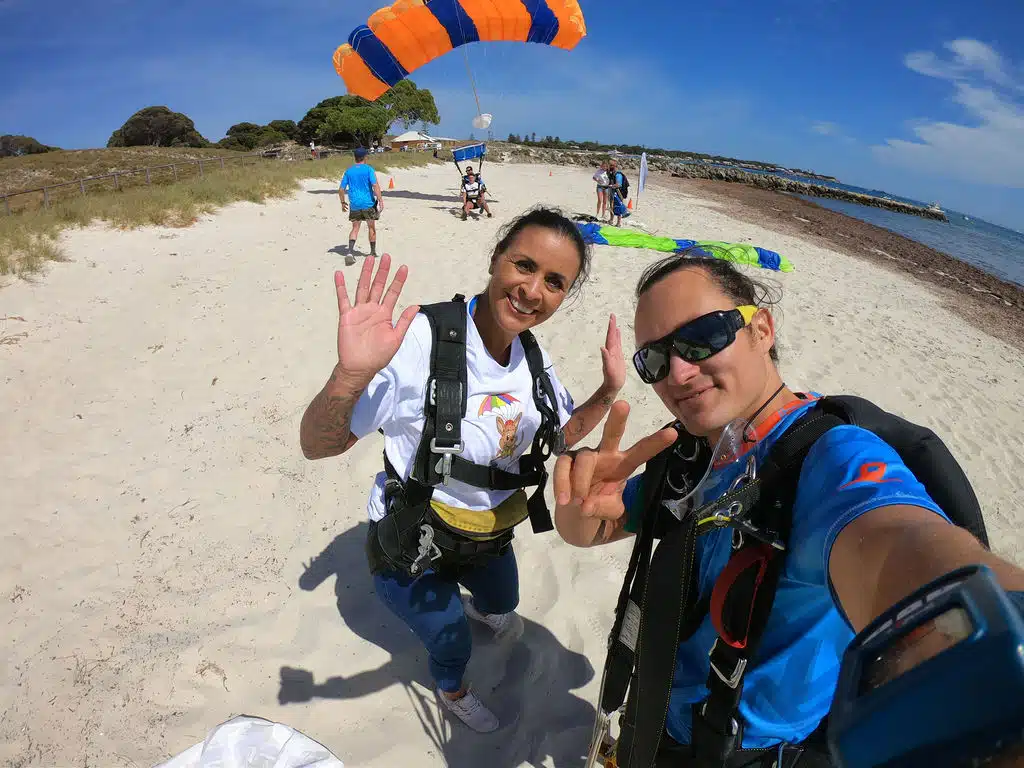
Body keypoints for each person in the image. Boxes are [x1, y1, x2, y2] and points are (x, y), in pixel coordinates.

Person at [553, 252, 1024, 767]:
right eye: (655, 359)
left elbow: (900, 545)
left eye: (703, 336)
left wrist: (996, 646)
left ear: (762, 330)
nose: (680, 373)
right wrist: (579, 516)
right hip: (659, 712)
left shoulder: (831, 457)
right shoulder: (694, 450)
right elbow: (596, 527)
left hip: (741, 752)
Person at [299, 207, 626, 734]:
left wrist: (608, 392)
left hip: (487, 536)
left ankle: (478, 608)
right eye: (523, 266)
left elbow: (559, 436)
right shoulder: (420, 344)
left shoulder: (532, 359)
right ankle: (451, 689)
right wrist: (349, 374)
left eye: (554, 282)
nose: (532, 290)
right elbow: (318, 445)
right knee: (451, 640)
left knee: (505, 605)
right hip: (414, 544)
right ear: (496, 259)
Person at [339, 147, 384, 265]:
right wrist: (380, 200)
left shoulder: (348, 171)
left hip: (355, 204)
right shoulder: (369, 169)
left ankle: (350, 251)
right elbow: (375, 186)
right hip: (368, 203)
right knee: (371, 227)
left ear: (354, 158)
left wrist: (343, 203)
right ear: (365, 157)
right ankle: (372, 252)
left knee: (355, 228)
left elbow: (341, 189)